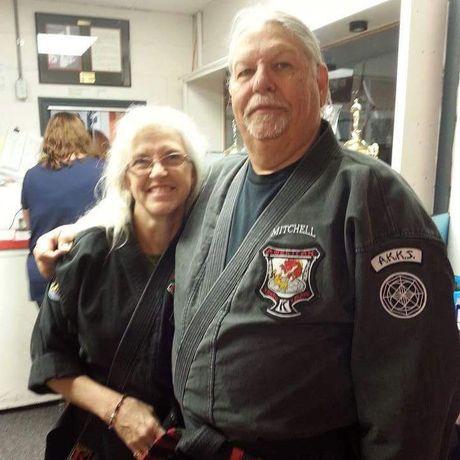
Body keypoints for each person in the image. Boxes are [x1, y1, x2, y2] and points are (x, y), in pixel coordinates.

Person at [34, 7, 460, 460]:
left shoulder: (371, 197)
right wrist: (75, 234)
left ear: (319, 83)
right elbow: (144, 202)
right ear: (232, 91)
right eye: (245, 72)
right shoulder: (214, 181)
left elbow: (413, 394)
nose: (261, 83)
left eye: (281, 65)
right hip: (196, 446)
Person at [28, 105, 205, 459]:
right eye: (141, 161)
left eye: (172, 156)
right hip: (104, 442)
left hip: (182, 445)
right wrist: (116, 409)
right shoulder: (88, 254)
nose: (158, 170)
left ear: (193, 170)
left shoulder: (212, 251)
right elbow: (49, 357)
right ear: (125, 176)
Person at [21, 112, 104, 307]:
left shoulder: (32, 176)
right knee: (91, 336)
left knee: (51, 334)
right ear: (82, 135)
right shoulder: (102, 169)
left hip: (44, 269)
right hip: (90, 270)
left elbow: (29, 222)